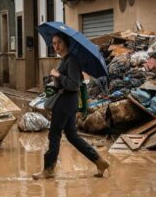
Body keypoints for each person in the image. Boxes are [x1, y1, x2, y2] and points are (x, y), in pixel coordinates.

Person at [33, 32, 110, 180]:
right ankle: (100, 162)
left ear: (66, 43)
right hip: (67, 102)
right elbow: (65, 81)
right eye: (54, 43)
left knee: (54, 135)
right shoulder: (65, 60)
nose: (56, 46)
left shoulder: (72, 61)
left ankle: (48, 170)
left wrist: (58, 76)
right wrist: (54, 78)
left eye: (59, 43)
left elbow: (74, 85)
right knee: (72, 136)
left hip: (65, 102)